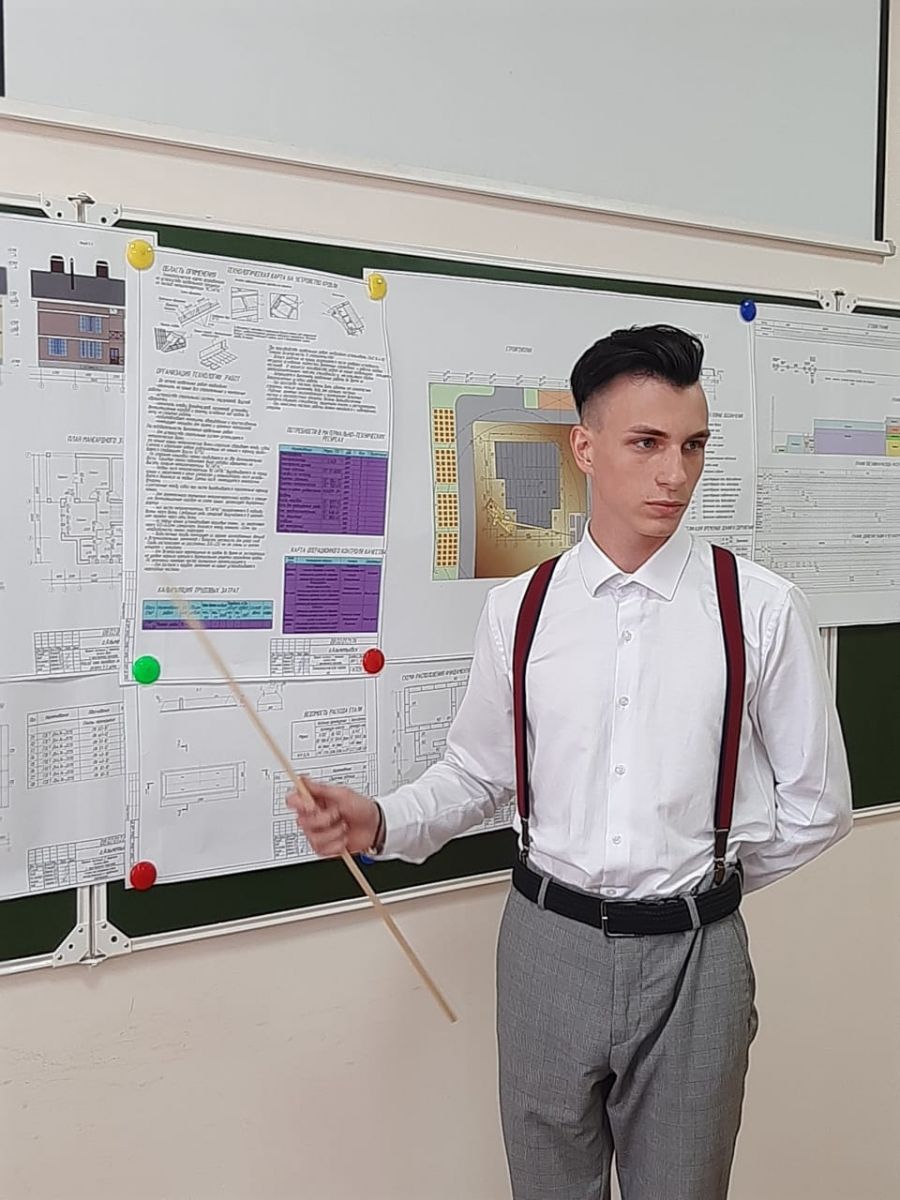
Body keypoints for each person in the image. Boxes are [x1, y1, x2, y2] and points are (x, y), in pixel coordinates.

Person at [287, 324, 852, 1200]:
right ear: (584, 448)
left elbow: (818, 805)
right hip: (544, 945)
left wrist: (702, 888)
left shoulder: (764, 609)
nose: (675, 473)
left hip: (695, 961)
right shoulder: (522, 608)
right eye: (647, 443)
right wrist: (384, 819)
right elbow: (480, 773)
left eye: (693, 445)